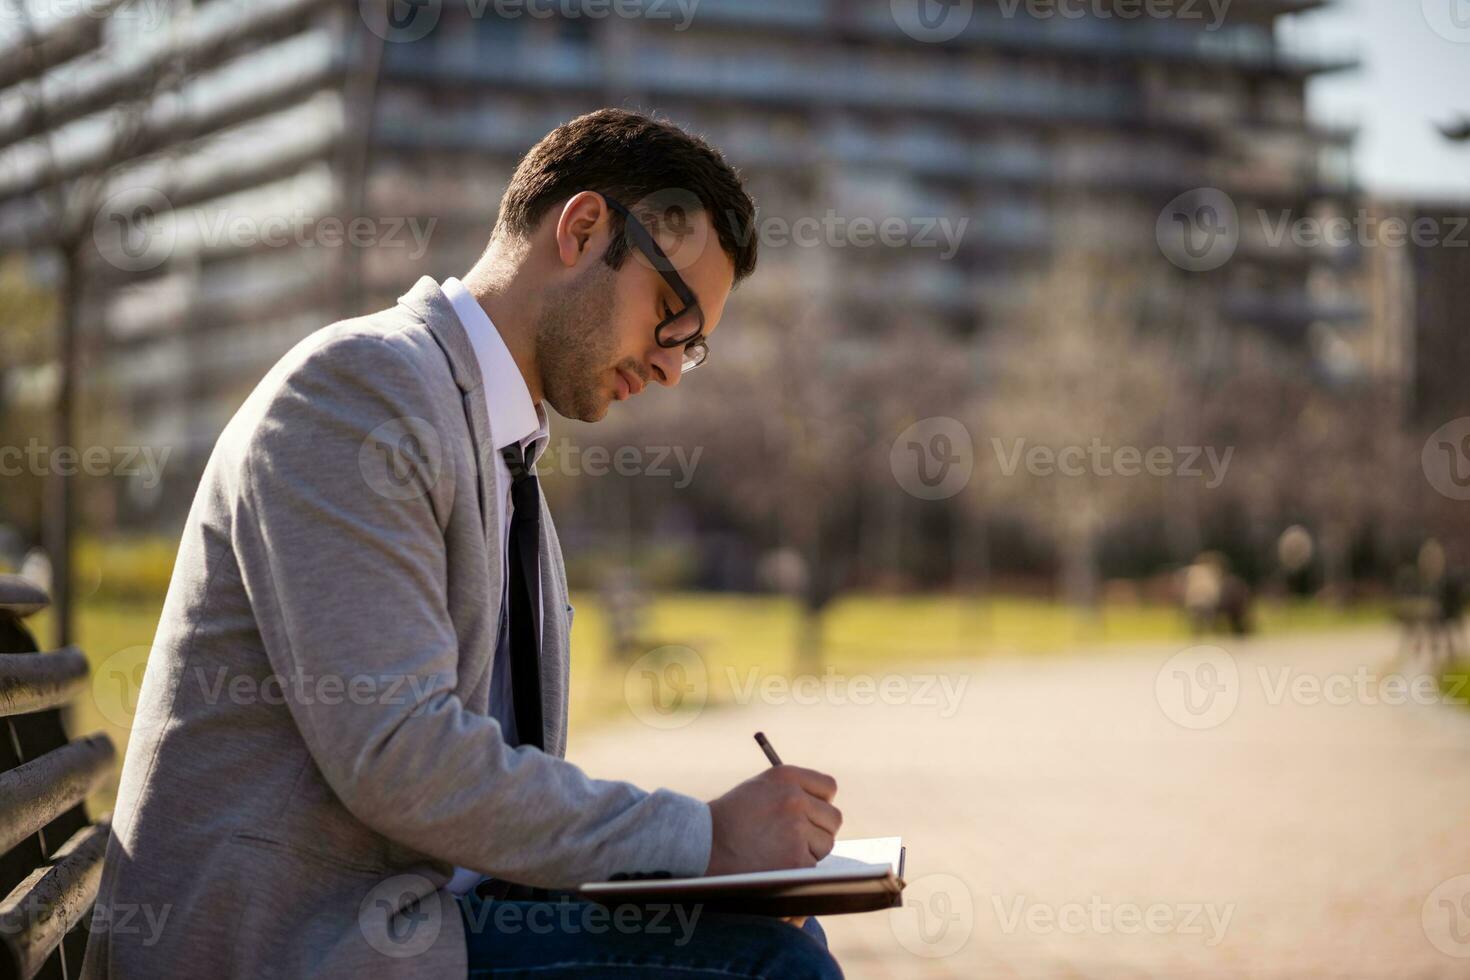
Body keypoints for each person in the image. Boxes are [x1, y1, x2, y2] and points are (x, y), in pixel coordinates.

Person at [82, 109, 843, 980]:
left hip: (423, 915)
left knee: (784, 936)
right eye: (672, 313)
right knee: (771, 968)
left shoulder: (499, 450)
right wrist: (701, 838)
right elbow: (399, 753)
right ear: (584, 228)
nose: (671, 365)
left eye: (694, 345)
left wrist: (710, 866)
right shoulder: (360, 393)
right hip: (293, 945)